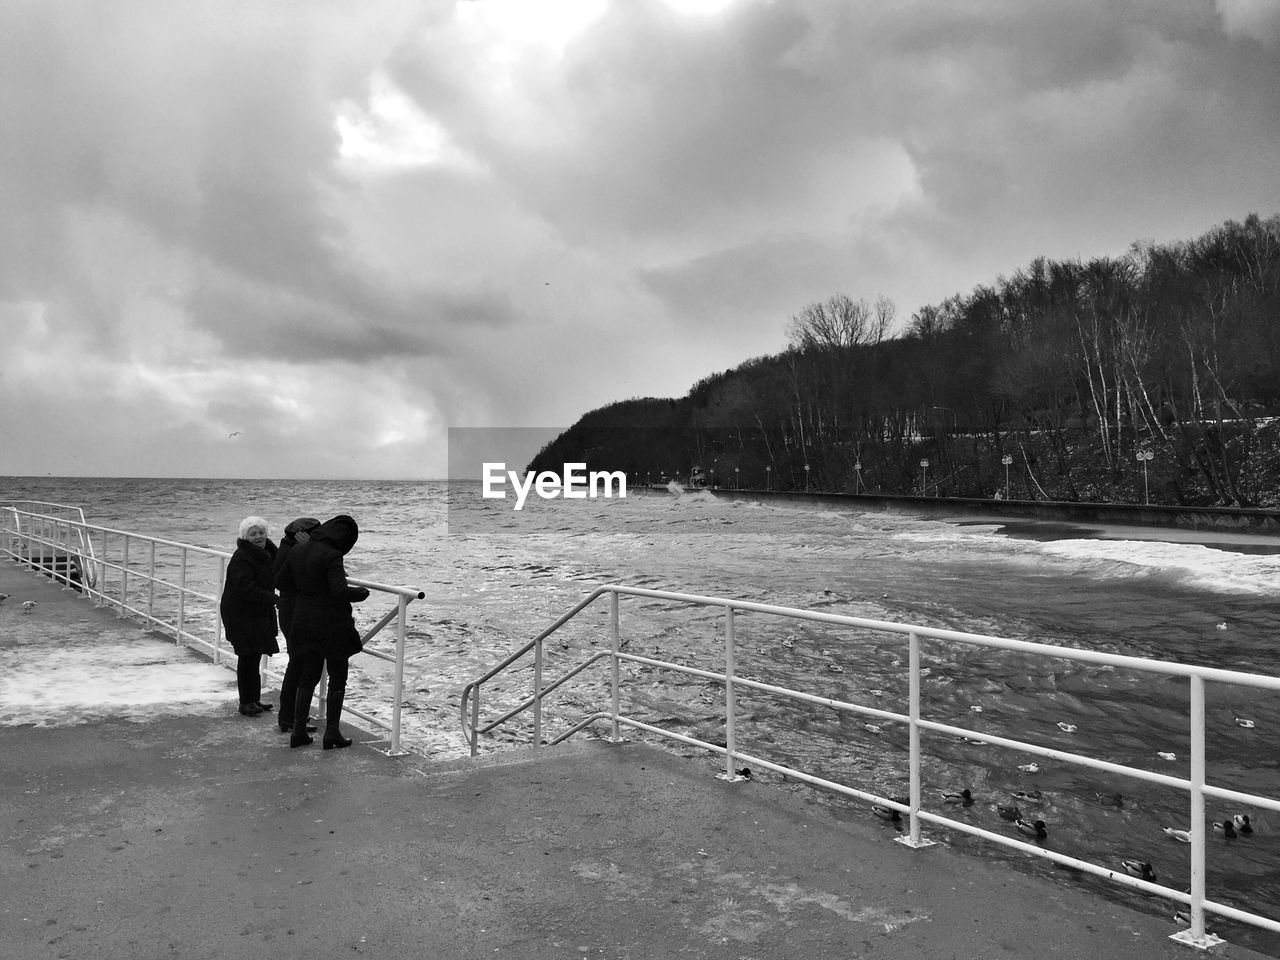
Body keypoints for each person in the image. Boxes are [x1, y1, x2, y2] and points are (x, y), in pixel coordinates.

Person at [274, 514, 370, 749]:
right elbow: (338, 590)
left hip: (303, 620)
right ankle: (332, 732)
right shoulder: (332, 554)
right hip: (331, 624)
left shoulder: (299, 550)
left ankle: (297, 732)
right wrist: (361, 593)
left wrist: (309, 588)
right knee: (338, 677)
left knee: (308, 675)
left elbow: (282, 581)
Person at [219, 516, 280, 716]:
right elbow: (244, 587)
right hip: (239, 613)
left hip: (257, 612)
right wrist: (273, 598)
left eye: (261, 532)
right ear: (245, 537)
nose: (258, 537)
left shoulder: (269, 553)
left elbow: (286, 567)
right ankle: (246, 702)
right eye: (253, 534)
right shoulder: (242, 556)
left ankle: (254, 699)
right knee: (247, 656)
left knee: (255, 656)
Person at [272, 516, 321, 735]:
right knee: (298, 666)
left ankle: (291, 715)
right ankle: (290, 718)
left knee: (297, 664)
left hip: (289, 611)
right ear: (303, 535)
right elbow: (292, 579)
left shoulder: (287, 548)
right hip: (295, 613)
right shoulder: (294, 552)